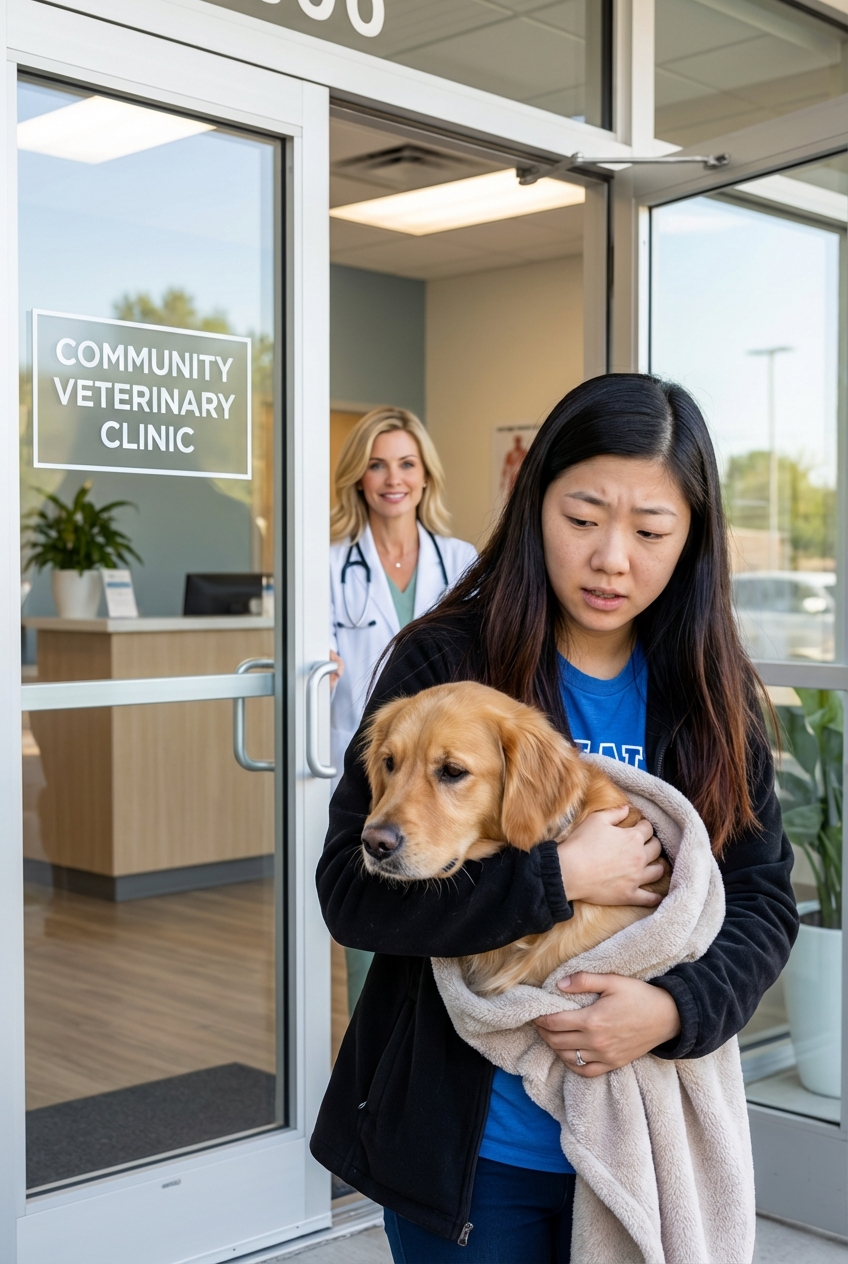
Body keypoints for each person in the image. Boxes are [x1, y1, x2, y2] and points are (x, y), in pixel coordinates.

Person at [312, 375, 798, 1262]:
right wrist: (562, 876)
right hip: (473, 1153)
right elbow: (353, 893)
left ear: (692, 540)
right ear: (535, 506)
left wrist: (672, 1008)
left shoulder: (711, 696)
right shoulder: (445, 658)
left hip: (645, 1143)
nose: (613, 557)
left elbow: (763, 898)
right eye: (583, 519)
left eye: (650, 531)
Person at [329, 406, 476, 1013]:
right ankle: (370, 1051)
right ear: (359, 477)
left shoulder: (460, 557)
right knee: (367, 920)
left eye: (407, 464)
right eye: (378, 464)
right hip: (359, 760)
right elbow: (312, 658)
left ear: (425, 476)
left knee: (437, 910)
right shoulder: (329, 559)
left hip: (435, 771)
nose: (394, 478)